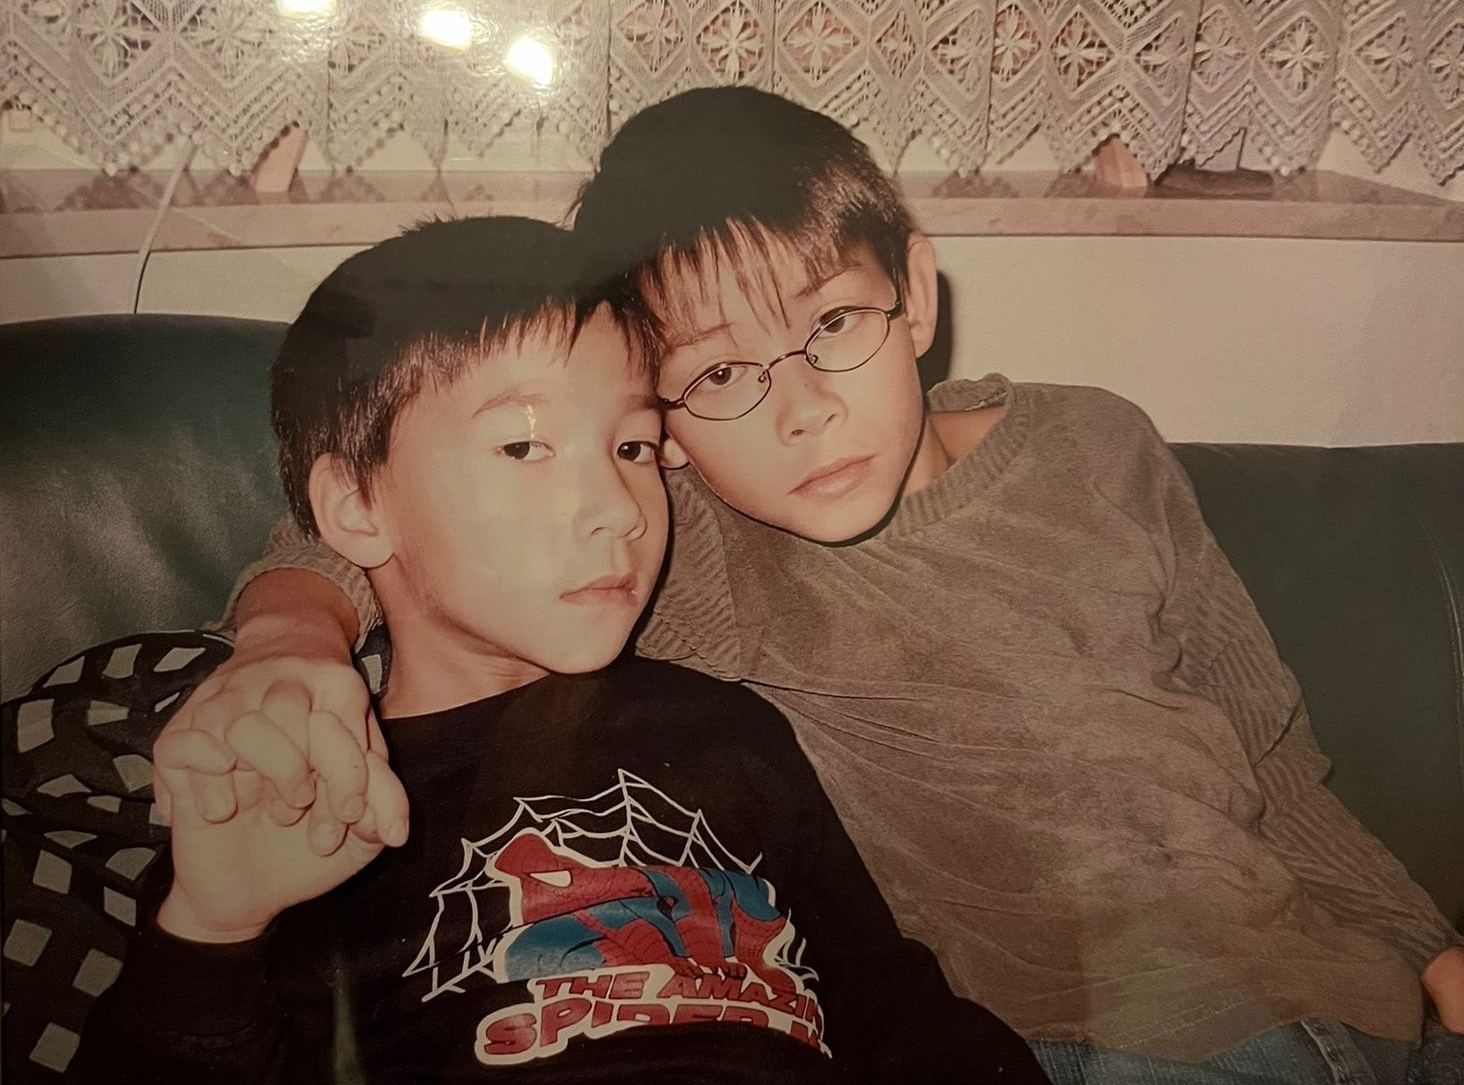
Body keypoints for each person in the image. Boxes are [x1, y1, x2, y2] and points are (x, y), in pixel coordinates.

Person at [11, 87, 1463, 1082]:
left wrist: (1428, 949)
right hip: (1115, 1039)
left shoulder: (1102, 442)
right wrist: (288, 639)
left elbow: (1272, 750)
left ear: (917, 292)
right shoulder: (678, 535)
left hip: (1360, 997)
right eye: (717, 377)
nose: (802, 410)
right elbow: (391, 521)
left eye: (832, 325)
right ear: (669, 418)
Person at [48, 215, 1044, 1084]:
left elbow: (901, 1011)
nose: (618, 507)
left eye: (633, 447)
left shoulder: (729, 727)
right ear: (354, 504)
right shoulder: (304, 790)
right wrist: (212, 928)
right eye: (524, 447)